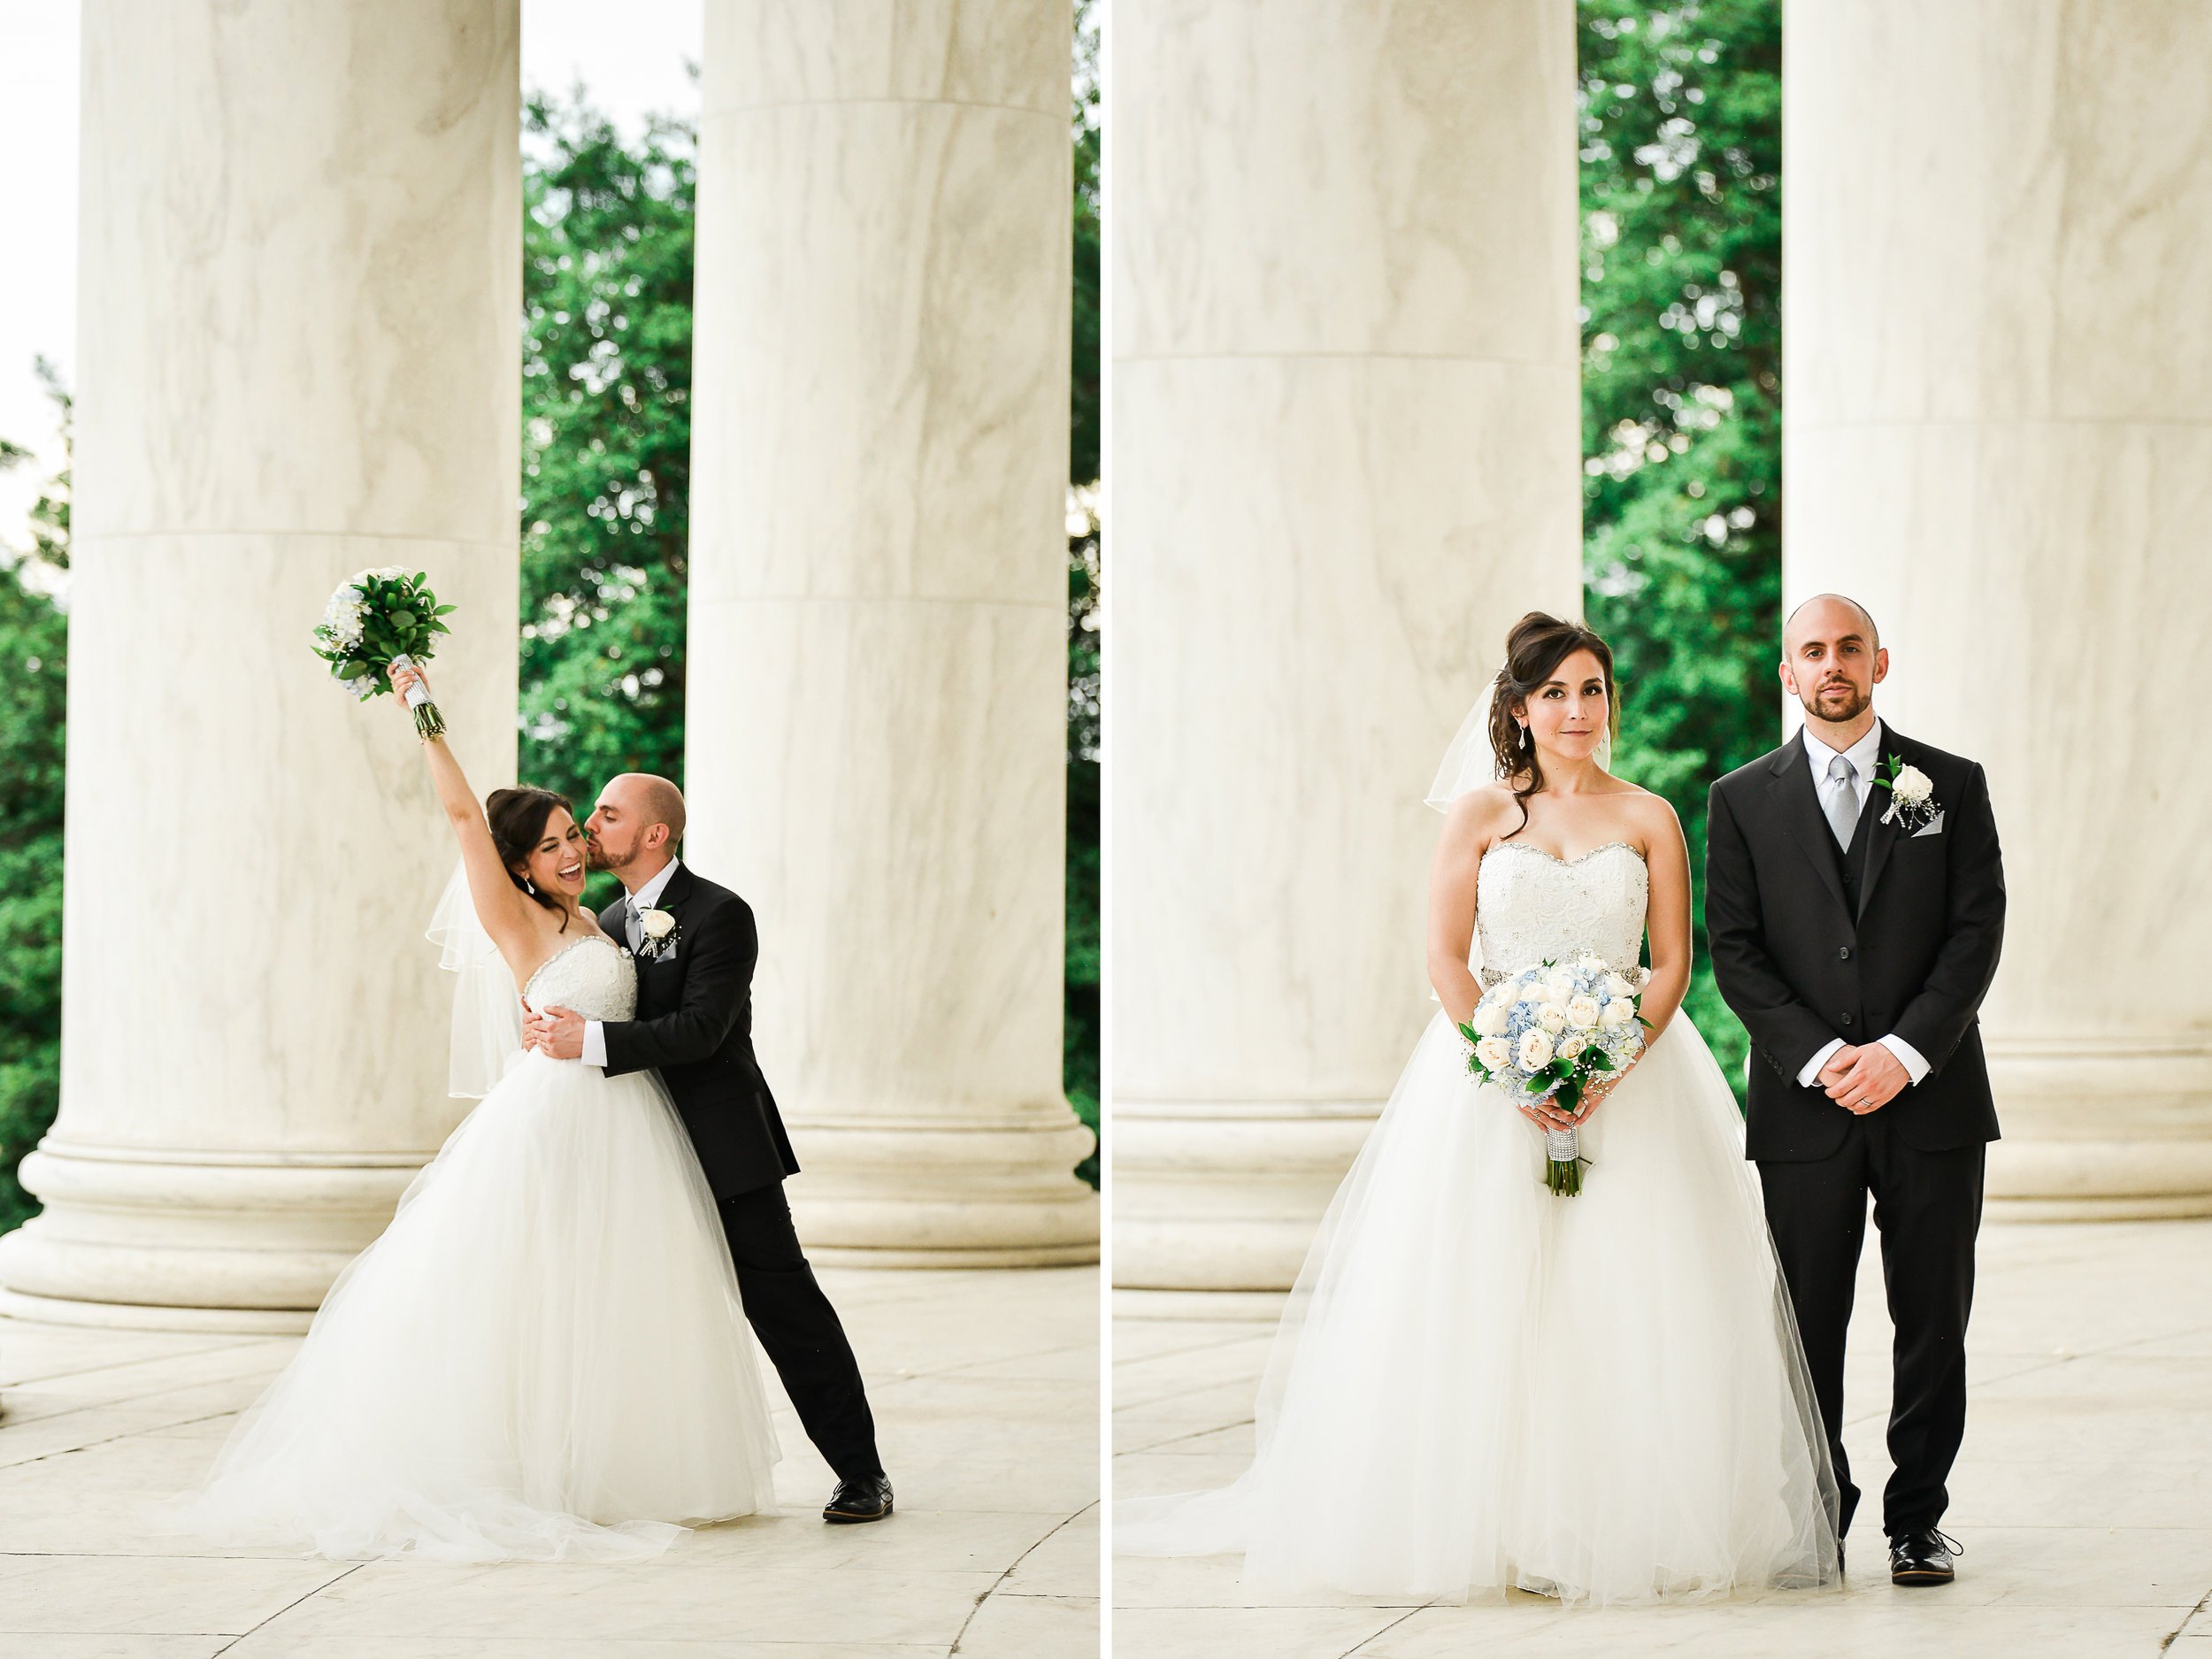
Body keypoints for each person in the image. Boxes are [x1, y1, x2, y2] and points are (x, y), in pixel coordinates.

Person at [1116, 611, 1839, 1604]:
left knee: (1629, 1296)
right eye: (1554, 694)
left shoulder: (1649, 817)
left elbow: (1671, 960)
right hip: (1490, 1089)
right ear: (1518, 708)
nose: (1575, 710)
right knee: (1487, 1296)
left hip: (1633, 1084)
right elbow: (1445, 959)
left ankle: (1616, 1519)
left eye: (1590, 690)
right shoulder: (1480, 815)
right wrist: (1511, 1067)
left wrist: (1610, 1060)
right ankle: (1488, 1521)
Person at [155, 664, 780, 1560]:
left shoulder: (600, 922)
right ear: (518, 865)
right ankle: (529, 1467)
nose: (571, 851)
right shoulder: (516, 922)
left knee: (616, 1291)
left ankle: (617, 1464)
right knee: (538, 1288)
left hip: (629, 1119)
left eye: (576, 835)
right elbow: (460, 817)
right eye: (552, 846)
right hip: (555, 1119)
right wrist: (419, 704)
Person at [1706, 593, 2004, 1587]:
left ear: (1880, 662)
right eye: (1811, 652)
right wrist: (1821, 1056)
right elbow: (1735, 954)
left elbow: (1975, 933)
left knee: (1931, 1318)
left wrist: (1904, 1053)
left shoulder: (1947, 785)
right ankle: (1816, 1514)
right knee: (1806, 1321)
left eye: (1848, 649)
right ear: (1785, 673)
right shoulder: (1740, 799)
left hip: (1932, 1101)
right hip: (1804, 1109)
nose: (1831, 665)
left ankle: (1917, 1518)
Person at [521, 772, 892, 1525]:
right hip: (628, 1157)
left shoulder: (721, 914)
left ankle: (862, 1473)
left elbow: (701, 1031)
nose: (591, 822)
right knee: (638, 1313)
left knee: (785, 1306)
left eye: (608, 813)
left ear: (655, 833)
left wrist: (584, 1039)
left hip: (723, 1149)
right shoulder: (603, 917)